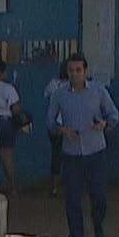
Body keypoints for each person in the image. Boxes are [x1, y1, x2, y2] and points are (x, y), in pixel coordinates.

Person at [46, 52, 119, 237]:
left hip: (96, 151)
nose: (74, 74)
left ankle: (98, 224)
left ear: (85, 71)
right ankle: (76, 236)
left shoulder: (98, 91)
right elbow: (50, 122)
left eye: (78, 70)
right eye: (71, 70)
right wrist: (62, 130)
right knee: (72, 197)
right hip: (71, 153)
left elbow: (114, 115)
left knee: (99, 196)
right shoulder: (59, 95)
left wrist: (104, 124)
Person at [0, 59, 28, 197]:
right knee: (7, 158)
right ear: (1, 72)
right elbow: (15, 109)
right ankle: (13, 188)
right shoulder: (8, 88)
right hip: (5, 123)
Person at [41, 61, 70, 197]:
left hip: (55, 125)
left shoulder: (53, 84)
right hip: (70, 125)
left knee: (56, 155)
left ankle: (55, 187)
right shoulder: (73, 85)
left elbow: (45, 95)